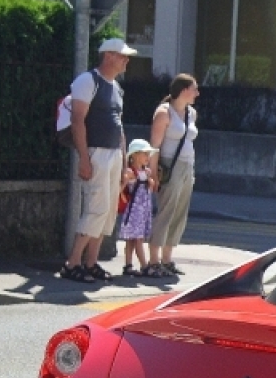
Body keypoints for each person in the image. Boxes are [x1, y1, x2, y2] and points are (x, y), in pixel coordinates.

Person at [60, 38, 137, 283]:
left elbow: (120, 127)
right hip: (97, 152)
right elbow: (78, 121)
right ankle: (73, 263)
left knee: (108, 213)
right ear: (109, 56)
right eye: (122, 55)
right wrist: (84, 158)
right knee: (96, 208)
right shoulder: (87, 81)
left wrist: (125, 164)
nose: (126, 60)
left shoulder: (115, 87)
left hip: (113, 153)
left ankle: (91, 263)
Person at [148, 74, 200, 277]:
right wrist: (153, 173)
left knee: (180, 213)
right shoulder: (164, 113)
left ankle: (167, 259)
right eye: (194, 88)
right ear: (184, 90)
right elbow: (154, 146)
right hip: (170, 166)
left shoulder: (191, 113)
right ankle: (153, 260)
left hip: (188, 166)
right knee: (166, 211)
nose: (197, 93)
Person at [117, 139, 160, 277]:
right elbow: (121, 188)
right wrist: (125, 181)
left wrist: (151, 182)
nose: (148, 157)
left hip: (142, 211)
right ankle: (144, 265)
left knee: (132, 239)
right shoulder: (131, 172)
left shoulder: (146, 173)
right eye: (145, 154)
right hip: (134, 211)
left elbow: (150, 189)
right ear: (134, 155)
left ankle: (128, 265)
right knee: (138, 239)